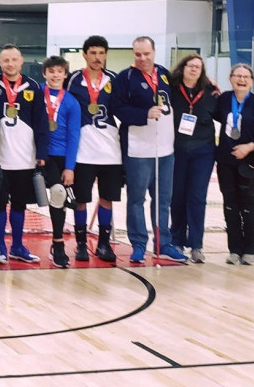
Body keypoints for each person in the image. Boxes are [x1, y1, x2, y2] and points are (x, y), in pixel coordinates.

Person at [110, 36, 187, 263]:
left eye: (146, 54)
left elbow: (186, 88)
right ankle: (138, 243)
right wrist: (143, 114)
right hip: (137, 150)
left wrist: (209, 83)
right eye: (138, 54)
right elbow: (118, 108)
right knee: (136, 199)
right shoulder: (125, 78)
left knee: (163, 199)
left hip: (165, 149)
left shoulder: (164, 73)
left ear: (154, 52)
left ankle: (163, 243)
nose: (142, 58)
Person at [0, 44, 47, 264]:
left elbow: (41, 122)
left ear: (21, 61)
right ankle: (1, 247)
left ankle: (18, 246)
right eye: (5, 60)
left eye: (14, 59)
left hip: (25, 158)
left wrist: (41, 152)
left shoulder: (33, 87)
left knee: (20, 204)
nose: (10, 64)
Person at [213, 64, 254, 266]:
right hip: (225, 162)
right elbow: (210, 112)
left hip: (249, 163)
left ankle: (249, 250)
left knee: (249, 206)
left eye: (246, 76)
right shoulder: (223, 100)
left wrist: (250, 147)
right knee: (230, 206)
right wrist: (209, 87)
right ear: (231, 78)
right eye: (237, 76)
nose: (241, 79)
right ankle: (234, 250)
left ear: (252, 80)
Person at [66, 36, 120, 263]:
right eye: (93, 53)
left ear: (106, 55)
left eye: (101, 53)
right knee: (81, 199)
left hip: (111, 151)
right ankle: (80, 244)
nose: (97, 58)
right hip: (83, 151)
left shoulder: (115, 80)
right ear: (84, 54)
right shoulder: (73, 79)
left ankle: (104, 244)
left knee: (107, 198)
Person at [168, 54, 218, 264]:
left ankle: (196, 245)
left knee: (197, 198)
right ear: (183, 67)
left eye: (199, 67)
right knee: (177, 197)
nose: (194, 69)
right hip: (177, 150)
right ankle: (176, 241)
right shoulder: (171, 89)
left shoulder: (211, 93)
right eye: (191, 66)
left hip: (203, 152)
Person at [38, 56, 81, 268]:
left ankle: (58, 243)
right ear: (44, 73)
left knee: (59, 193)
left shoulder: (71, 102)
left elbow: (74, 136)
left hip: (61, 156)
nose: (55, 75)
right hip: (37, 155)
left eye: (59, 71)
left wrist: (70, 167)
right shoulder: (35, 94)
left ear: (65, 75)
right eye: (51, 71)